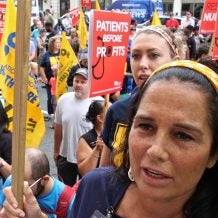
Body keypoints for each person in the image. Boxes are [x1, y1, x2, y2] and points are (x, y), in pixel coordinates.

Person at [0, 60, 218, 218]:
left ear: (215, 152)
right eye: (146, 126)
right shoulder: (97, 187)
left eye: (183, 135)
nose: (156, 150)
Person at [100, 26, 182, 167]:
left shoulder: (190, 113)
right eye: (136, 56)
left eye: (153, 55)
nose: (142, 64)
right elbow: (104, 174)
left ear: (175, 61)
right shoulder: (117, 110)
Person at [54, 68, 103, 186]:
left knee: (86, 192)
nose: (78, 85)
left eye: (83, 82)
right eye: (76, 81)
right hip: (66, 156)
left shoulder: (100, 103)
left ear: (90, 84)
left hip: (88, 157)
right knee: (65, 194)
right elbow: (58, 127)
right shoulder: (63, 99)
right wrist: (56, 150)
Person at [76, 100, 105, 176]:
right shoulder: (86, 140)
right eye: (110, 111)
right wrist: (97, 149)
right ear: (100, 118)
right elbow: (85, 172)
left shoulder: (116, 133)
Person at [39, 35, 61, 117]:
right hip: (50, 80)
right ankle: (52, 113)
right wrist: (44, 77)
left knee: (60, 97)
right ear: (52, 44)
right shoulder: (46, 55)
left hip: (60, 80)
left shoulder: (63, 53)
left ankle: (59, 114)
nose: (59, 44)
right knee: (51, 97)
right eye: (57, 42)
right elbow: (41, 67)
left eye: (59, 42)